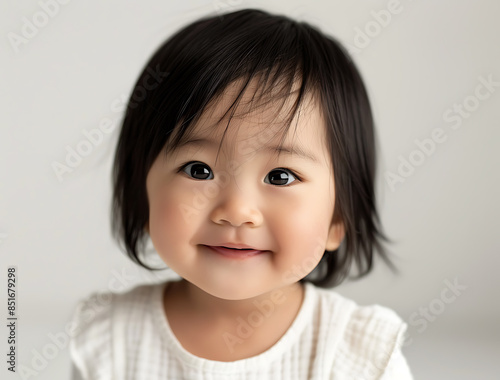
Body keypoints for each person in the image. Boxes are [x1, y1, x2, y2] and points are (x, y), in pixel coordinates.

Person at [69, 8, 413, 379]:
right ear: (143, 192)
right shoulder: (109, 340)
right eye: (199, 170)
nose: (236, 211)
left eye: (281, 176)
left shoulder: (360, 356)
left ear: (338, 217)